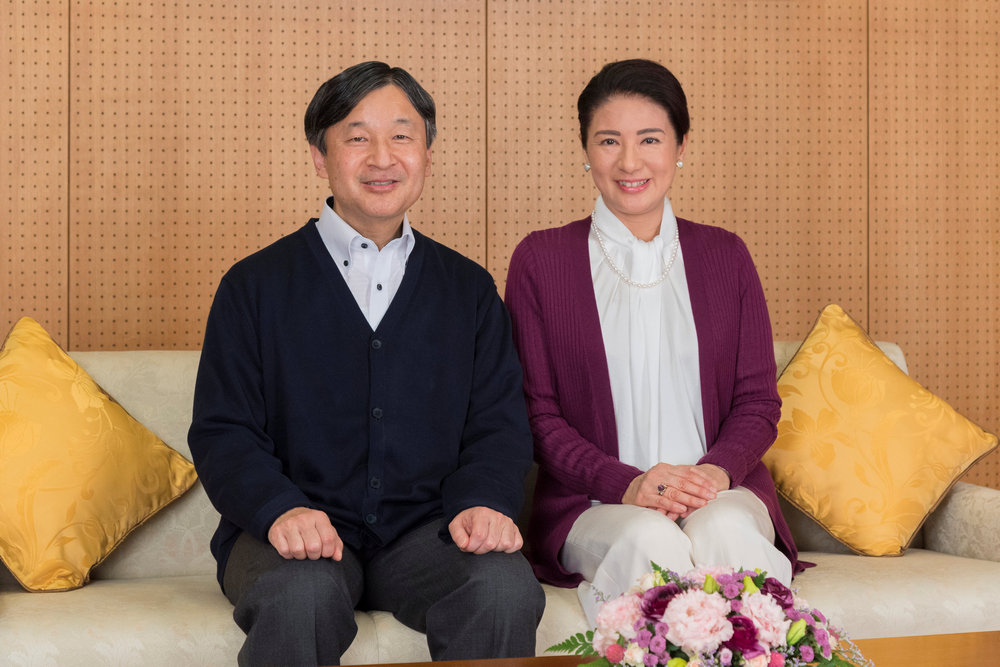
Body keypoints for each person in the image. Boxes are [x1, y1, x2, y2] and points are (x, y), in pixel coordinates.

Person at [188, 61, 544, 666]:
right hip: (287, 535)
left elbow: (498, 425)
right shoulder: (254, 286)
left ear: (427, 154)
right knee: (298, 597)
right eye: (357, 137)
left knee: (504, 588)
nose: (383, 157)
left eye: (402, 136)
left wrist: (485, 501)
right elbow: (223, 431)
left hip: (427, 537)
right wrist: (281, 509)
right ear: (319, 157)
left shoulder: (469, 289)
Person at [504, 59, 800, 624]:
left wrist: (714, 474)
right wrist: (630, 483)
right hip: (595, 504)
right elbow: (535, 414)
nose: (630, 161)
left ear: (681, 145)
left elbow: (758, 403)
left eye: (650, 139)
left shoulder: (726, 256)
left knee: (726, 531)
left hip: (721, 491)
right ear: (586, 150)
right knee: (650, 540)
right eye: (609, 141)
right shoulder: (541, 261)